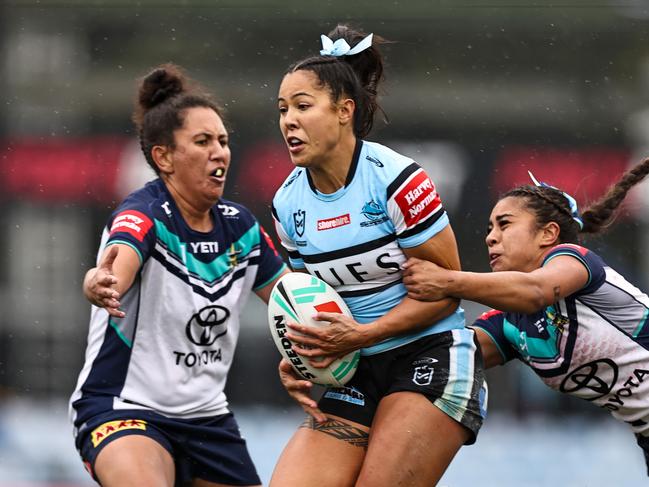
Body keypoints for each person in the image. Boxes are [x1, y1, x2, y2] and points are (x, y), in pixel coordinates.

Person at [270, 24, 487, 487]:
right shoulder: (286, 204)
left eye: (303, 107)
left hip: (429, 356)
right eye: (283, 109)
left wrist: (364, 332)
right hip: (354, 369)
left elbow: (448, 293)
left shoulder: (396, 180)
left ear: (344, 111)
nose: (288, 120)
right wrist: (298, 353)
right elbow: (304, 298)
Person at [69, 63, 288, 487]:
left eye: (223, 141)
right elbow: (118, 262)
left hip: (207, 419)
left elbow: (292, 301)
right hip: (123, 408)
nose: (219, 152)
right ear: (163, 157)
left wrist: (314, 353)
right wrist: (98, 281)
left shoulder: (241, 227)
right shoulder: (143, 214)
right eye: (202, 141)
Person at [400, 158, 649, 475]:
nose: (490, 237)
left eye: (504, 224)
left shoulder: (575, 260)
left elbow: (535, 291)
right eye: (490, 228)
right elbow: (442, 356)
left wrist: (447, 280)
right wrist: (345, 348)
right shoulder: (510, 323)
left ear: (548, 234)